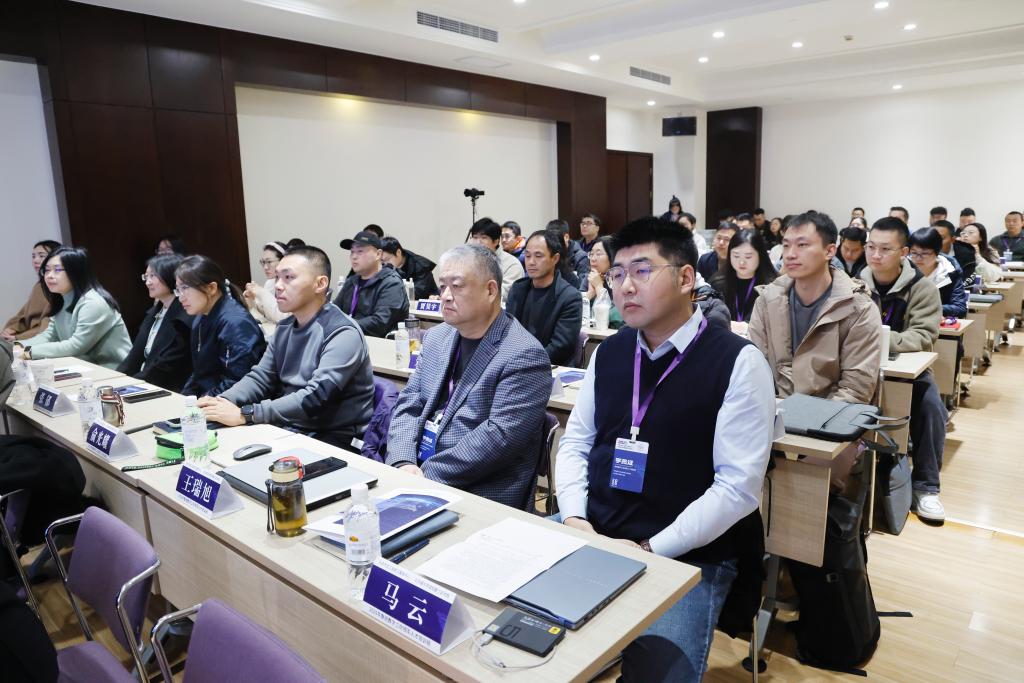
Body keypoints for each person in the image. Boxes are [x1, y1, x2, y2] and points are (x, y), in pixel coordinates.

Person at [555, 216, 775, 682]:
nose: (625, 286)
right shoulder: (610, 352)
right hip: (594, 527)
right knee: (519, 636)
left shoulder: (738, 361)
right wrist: (575, 520)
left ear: (686, 278)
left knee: (658, 674)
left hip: (685, 552)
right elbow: (575, 442)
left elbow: (737, 488)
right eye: (617, 274)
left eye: (642, 271)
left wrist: (649, 548)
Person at [384, 245, 551, 509]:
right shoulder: (437, 337)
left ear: (490, 290)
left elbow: (498, 438)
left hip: (479, 492)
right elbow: (409, 403)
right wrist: (403, 461)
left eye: (457, 286)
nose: (446, 296)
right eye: (442, 286)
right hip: (414, 475)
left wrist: (425, 475)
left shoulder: (524, 354)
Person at [200, 247, 375, 448]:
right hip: (291, 427)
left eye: (289, 277)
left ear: (320, 284)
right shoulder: (285, 327)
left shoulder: (343, 332)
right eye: (278, 278)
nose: (278, 286)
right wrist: (220, 403)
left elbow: (315, 398)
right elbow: (260, 378)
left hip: (333, 437)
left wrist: (246, 414)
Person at [860, 217, 947, 522]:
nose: (876, 255)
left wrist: (883, 339)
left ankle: (926, 487)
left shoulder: (923, 289)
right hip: (860, 367)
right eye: (871, 247)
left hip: (908, 371)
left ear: (904, 252)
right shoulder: (855, 285)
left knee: (931, 405)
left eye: (885, 249)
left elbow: (923, 335)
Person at [748, 211, 882, 405]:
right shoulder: (767, 299)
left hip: (829, 416)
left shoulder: (859, 309)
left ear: (829, 251)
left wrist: (800, 417)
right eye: (786, 245)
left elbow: (854, 391)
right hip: (774, 412)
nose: (790, 254)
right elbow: (754, 370)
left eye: (802, 245)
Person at [17, 247, 131, 369]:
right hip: (85, 367)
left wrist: (28, 352)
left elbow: (76, 346)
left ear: (76, 272)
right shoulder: (62, 300)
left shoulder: (92, 303)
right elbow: (50, 336)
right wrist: (18, 346)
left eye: (57, 270)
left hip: (114, 371)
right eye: (47, 270)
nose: (49, 276)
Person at [176, 255, 266, 397]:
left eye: (185, 288)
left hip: (232, 402)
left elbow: (238, 381)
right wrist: (184, 399)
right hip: (211, 398)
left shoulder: (236, 323)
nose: (181, 297)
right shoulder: (201, 317)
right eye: (178, 290)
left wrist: (201, 402)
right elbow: (199, 374)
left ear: (211, 288)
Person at [117, 254, 193, 391]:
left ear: (170, 275)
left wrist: (132, 385)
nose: (148, 282)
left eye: (153, 276)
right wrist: (116, 379)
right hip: (147, 381)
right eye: (146, 276)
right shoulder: (154, 312)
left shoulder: (184, 316)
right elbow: (134, 357)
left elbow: (165, 367)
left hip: (170, 387)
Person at [506, 230, 583, 366]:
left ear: (555, 259)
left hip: (550, 367)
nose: (531, 262)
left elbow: (560, 347)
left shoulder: (569, 297)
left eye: (538, 256)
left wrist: (525, 363)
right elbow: (507, 332)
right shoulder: (518, 289)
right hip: (516, 364)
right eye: (528, 256)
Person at [334, 230, 409, 337]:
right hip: (351, 338)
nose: (354, 256)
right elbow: (335, 311)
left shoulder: (391, 283)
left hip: (381, 343)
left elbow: (380, 323)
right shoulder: (352, 282)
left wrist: (344, 325)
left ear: (378, 254)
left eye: (360, 251)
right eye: (352, 252)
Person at [709, 229, 777, 328]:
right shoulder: (717, 283)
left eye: (748, 257)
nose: (741, 262)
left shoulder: (772, 285)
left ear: (760, 255)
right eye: (736, 256)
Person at [3, 239, 60, 341]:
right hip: (29, 336)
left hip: (44, 338)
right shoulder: (39, 286)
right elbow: (23, 316)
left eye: (41, 256)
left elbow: (50, 324)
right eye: (33, 256)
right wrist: (11, 329)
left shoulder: (58, 287)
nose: (35, 260)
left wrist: (18, 337)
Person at [245, 240, 300, 339]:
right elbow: (267, 314)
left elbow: (283, 318)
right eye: (263, 262)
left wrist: (261, 292)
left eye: (269, 262)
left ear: (283, 260)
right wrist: (252, 301)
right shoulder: (270, 283)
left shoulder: (292, 284)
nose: (265, 267)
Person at [908, 228, 968, 319]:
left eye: (925, 253)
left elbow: (960, 308)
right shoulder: (902, 269)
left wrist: (930, 308)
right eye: (914, 253)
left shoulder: (950, 272)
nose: (918, 258)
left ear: (937, 253)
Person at [466, 217, 524, 303]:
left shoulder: (512, 264)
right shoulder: (470, 261)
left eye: (483, 237)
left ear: (496, 241)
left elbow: (504, 295)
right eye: (475, 237)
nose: (478, 242)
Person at [585, 236, 625, 329]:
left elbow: (617, 319)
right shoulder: (590, 277)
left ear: (612, 256)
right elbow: (574, 313)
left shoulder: (622, 279)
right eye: (591, 254)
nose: (593, 259)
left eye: (598, 254)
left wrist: (599, 287)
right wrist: (589, 294)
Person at [546, 219, 590, 291]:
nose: (553, 244)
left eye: (556, 240)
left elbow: (582, 286)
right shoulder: (548, 254)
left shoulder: (581, 257)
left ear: (566, 237)